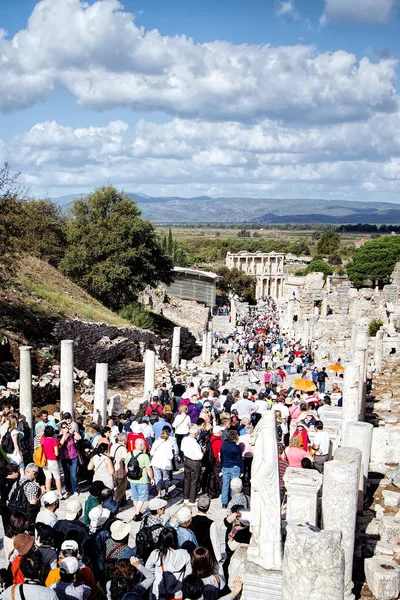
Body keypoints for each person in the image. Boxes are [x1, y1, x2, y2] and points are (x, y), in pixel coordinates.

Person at [145, 528, 192, 600]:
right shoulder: (184, 554)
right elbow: (189, 572)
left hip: (160, 593)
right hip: (178, 593)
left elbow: (148, 568)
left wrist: (157, 573)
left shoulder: (156, 554)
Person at [126, 438, 155, 521]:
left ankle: (137, 511)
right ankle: (136, 514)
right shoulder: (144, 456)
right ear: (142, 445)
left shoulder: (129, 454)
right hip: (142, 479)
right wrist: (152, 478)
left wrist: (128, 475)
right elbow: (149, 469)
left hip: (132, 479)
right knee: (142, 497)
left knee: (135, 497)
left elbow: (126, 467)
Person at [190, 496, 221, 563]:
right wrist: (218, 558)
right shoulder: (211, 523)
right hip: (206, 555)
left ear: (197, 505)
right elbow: (215, 542)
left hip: (194, 553)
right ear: (208, 507)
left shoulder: (191, 520)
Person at [58, 419, 81, 497]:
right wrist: (64, 434)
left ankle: (75, 489)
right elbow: (60, 444)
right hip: (64, 458)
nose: (65, 429)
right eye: (63, 427)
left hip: (73, 457)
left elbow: (79, 438)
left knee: (74, 475)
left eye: (66, 427)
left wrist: (73, 431)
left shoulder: (72, 435)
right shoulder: (59, 436)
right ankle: (68, 489)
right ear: (61, 429)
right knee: (66, 475)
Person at [181, 425, 203, 506]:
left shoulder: (184, 439)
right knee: (194, 481)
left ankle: (186, 498)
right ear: (196, 433)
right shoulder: (195, 443)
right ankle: (192, 500)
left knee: (187, 480)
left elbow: (182, 449)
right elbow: (200, 456)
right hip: (194, 462)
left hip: (186, 460)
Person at [220, 431, 242, 509]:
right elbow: (239, 459)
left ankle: (224, 502)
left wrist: (221, 465)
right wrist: (242, 469)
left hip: (226, 466)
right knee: (234, 484)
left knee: (225, 484)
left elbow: (221, 457)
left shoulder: (223, 446)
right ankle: (234, 500)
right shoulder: (236, 447)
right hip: (235, 467)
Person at [150, 430, 174, 499]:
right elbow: (171, 456)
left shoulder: (156, 442)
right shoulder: (169, 444)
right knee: (166, 478)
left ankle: (159, 494)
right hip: (165, 464)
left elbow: (151, 453)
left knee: (157, 479)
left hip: (156, 463)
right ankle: (166, 493)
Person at [41, 426, 63, 497]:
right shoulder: (54, 440)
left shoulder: (43, 440)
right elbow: (56, 453)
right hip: (52, 461)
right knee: (57, 477)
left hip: (44, 461)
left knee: (48, 478)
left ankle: (48, 494)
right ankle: (60, 494)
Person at [0, 463, 20, 534]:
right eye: (17, 472)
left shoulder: (2, 480)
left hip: (3, 506)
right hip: (9, 506)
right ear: (12, 472)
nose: (18, 474)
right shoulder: (14, 482)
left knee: (6, 525)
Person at [110, 432, 128, 503]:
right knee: (121, 486)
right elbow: (125, 459)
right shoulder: (123, 448)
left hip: (114, 468)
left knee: (117, 485)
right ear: (124, 439)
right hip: (121, 470)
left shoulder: (114, 445)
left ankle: (123, 500)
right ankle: (117, 501)